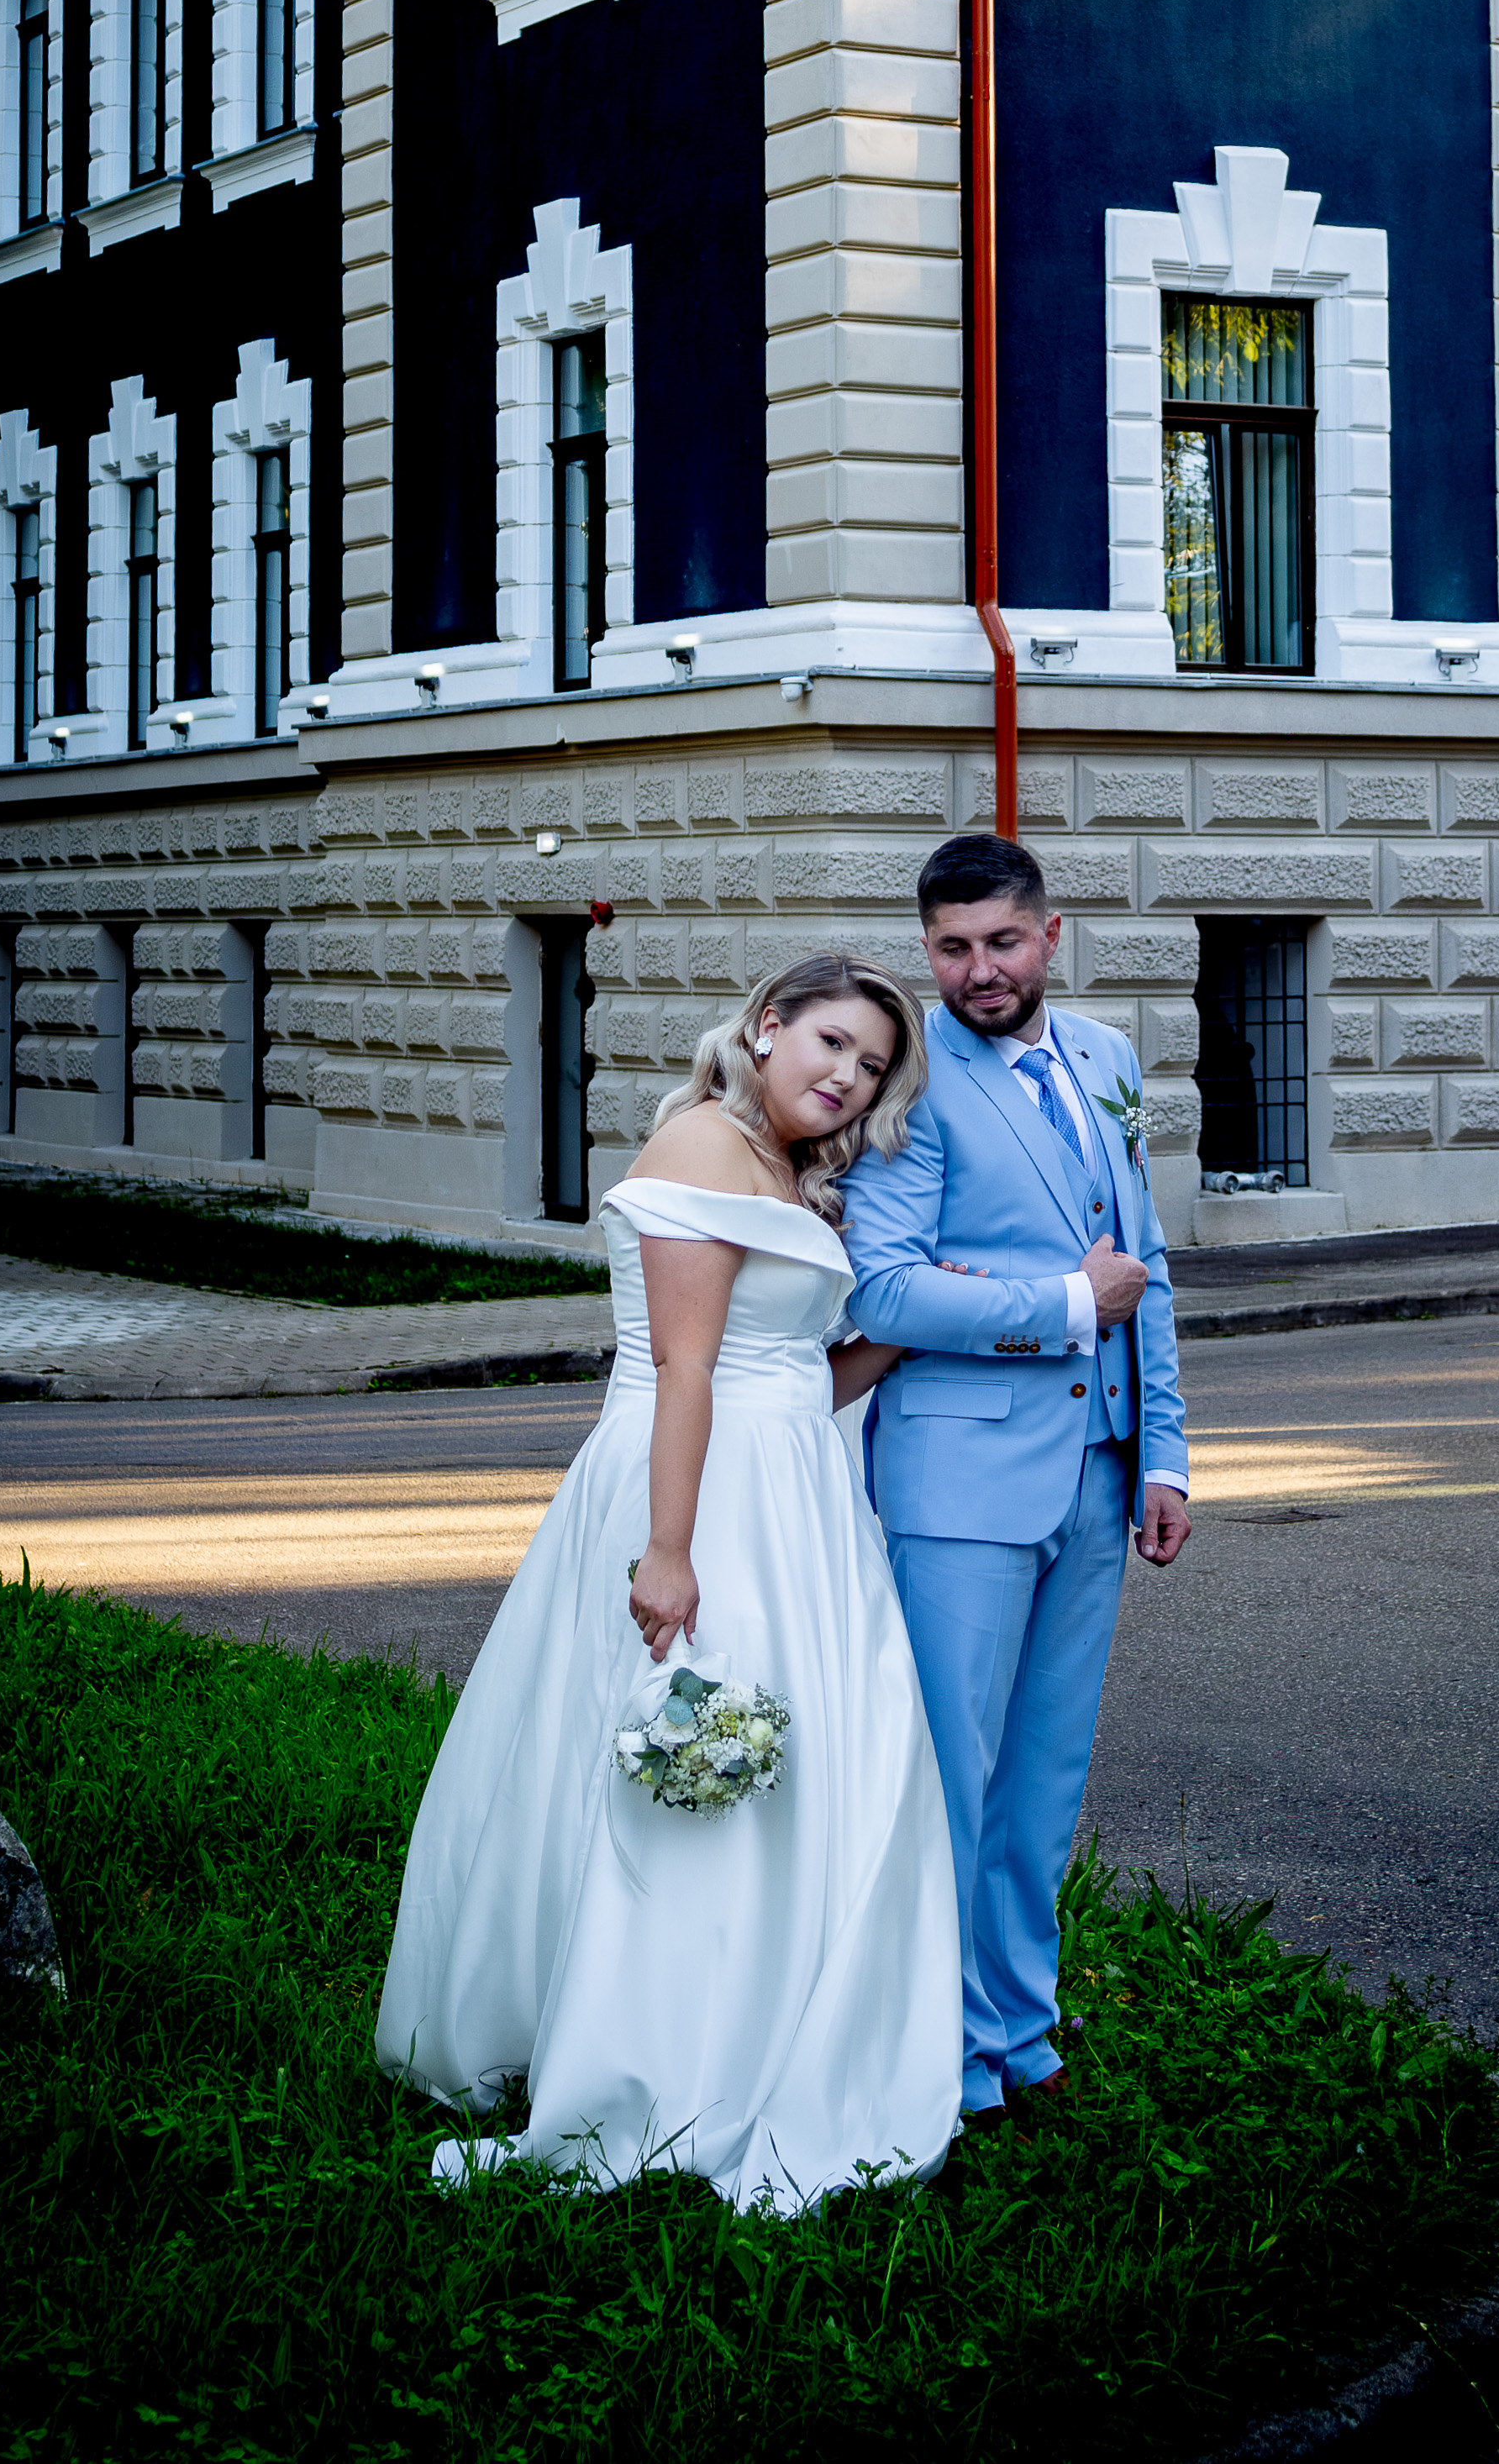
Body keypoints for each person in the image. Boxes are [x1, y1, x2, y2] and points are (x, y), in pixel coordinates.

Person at [375, 953, 963, 2210]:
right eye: (832, 1044)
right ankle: (658, 2051)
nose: (848, 1078)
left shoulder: (791, 1172)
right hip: (699, 1492)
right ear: (767, 1025)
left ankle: (769, 2024)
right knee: (692, 1756)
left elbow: (793, 1373)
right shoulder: (701, 1143)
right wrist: (671, 1548)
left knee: (807, 1763)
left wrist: (903, 1331)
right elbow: (684, 1369)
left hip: (795, 1495)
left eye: (871, 1067)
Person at [840, 833, 1192, 2130]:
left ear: (1050, 935)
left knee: (1044, 1774)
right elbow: (885, 1290)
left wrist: (1165, 1453)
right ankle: (936, 2054)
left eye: (1000, 941)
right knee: (953, 1775)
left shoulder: (1106, 1059)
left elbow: (1145, 1264)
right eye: (951, 948)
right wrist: (1060, 1304)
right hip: (959, 1479)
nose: (978, 969)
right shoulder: (912, 1080)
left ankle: (1019, 2030)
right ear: (927, 950)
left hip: (1099, 1470)